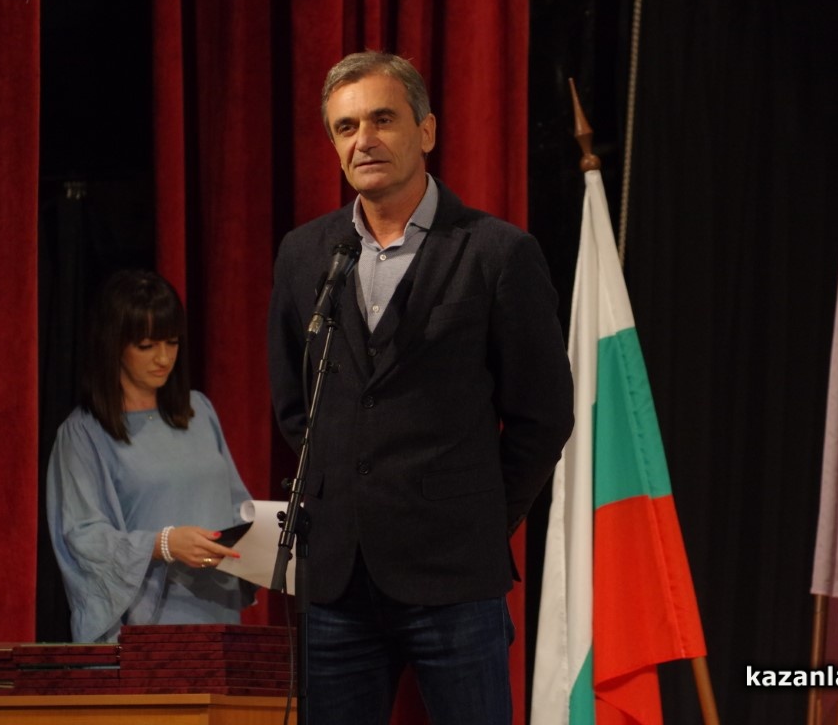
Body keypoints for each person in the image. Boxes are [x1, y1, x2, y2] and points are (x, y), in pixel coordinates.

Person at [267, 51, 574, 724]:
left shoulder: (496, 252)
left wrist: (479, 515)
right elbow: (295, 405)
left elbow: (544, 414)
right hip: (337, 583)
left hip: (454, 574)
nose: (364, 140)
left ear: (426, 131)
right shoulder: (305, 254)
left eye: (382, 120)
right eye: (346, 127)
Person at [47, 269, 256, 643]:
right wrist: (162, 544)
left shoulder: (199, 411)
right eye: (146, 346)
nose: (163, 358)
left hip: (215, 616)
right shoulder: (84, 433)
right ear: (114, 345)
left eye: (172, 343)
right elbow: (83, 537)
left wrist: (269, 532)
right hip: (143, 632)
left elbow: (237, 506)